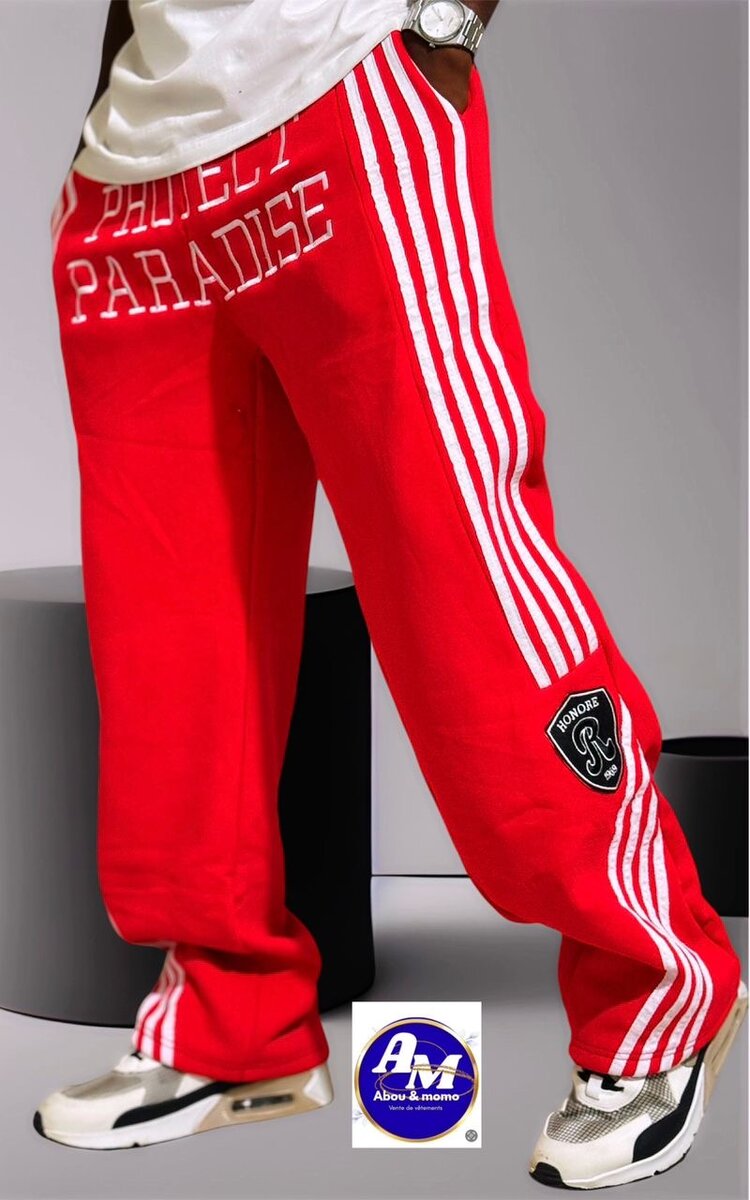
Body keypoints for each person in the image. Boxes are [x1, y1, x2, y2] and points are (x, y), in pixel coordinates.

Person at [37, 0, 745, 1188]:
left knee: (462, 582)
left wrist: (446, 25)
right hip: (134, 188)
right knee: (171, 647)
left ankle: (658, 985)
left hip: (334, 94)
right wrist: (100, 128)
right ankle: (225, 1023)